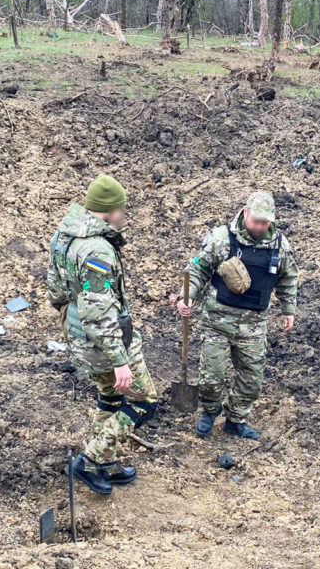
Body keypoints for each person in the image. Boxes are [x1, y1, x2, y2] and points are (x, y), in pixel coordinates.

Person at [46, 174, 158, 495]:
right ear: (107, 211)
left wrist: (73, 323)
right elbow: (99, 310)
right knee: (143, 401)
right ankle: (90, 460)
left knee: (110, 396)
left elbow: (56, 289)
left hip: (79, 334)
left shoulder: (65, 235)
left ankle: (105, 463)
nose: (123, 214)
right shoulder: (97, 252)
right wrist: (120, 359)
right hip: (107, 341)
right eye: (121, 208)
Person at [175, 191, 298, 440]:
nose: (261, 227)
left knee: (252, 380)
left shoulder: (279, 245)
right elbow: (198, 268)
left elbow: (288, 278)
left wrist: (288, 309)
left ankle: (235, 419)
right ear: (245, 213)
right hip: (217, 321)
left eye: (266, 223)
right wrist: (186, 296)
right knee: (211, 377)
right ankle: (210, 412)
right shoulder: (221, 239)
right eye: (257, 222)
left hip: (253, 325)